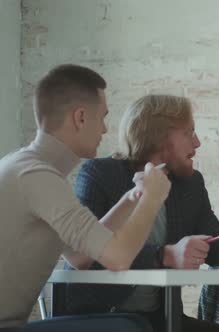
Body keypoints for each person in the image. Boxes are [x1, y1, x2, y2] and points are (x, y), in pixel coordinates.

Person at [60, 95, 219, 332]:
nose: (197, 143)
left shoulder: (190, 183)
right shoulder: (98, 174)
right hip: (99, 319)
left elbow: (215, 247)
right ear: (159, 136)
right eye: (189, 132)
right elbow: (91, 255)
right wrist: (165, 255)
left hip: (162, 320)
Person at [0, 64, 171, 331]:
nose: (104, 129)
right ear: (80, 117)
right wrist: (152, 198)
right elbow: (118, 259)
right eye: (102, 117)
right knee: (129, 327)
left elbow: (79, 257)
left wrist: (132, 198)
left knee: (130, 324)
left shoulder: (27, 167)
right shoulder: (37, 176)